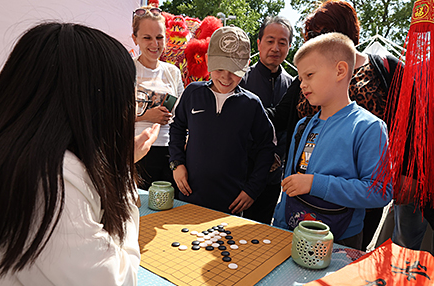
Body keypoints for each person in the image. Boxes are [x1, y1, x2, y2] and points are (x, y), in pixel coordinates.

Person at [0, 22, 160, 286]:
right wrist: (121, 171)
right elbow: (112, 285)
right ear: (94, 104)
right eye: (128, 99)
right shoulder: (46, 178)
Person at [276, 0, 400, 249]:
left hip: (341, 242)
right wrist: (278, 228)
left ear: (341, 70)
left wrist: (315, 183)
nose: (301, 84)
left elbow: (380, 192)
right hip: (292, 233)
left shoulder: (369, 128)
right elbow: (289, 187)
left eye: (309, 75)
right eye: (300, 77)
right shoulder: (303, 126)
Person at [169, 26, 275, 215]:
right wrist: (177, 163)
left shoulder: (251, 104)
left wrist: (252, 189)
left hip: (230, 205)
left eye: (234, 70)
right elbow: (176, 127)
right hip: (188, 199)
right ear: (208, 60)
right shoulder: (192, 93)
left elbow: (267, 147)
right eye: (219, 68)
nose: (226, 77)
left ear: (246, 65)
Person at [239, 16, 293, 225]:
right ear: (259, 43)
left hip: (272, 177)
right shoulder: (241, 79)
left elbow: (291, 128)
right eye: (270, 41)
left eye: (282, 42)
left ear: (289, 46)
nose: (275, 48)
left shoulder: (293, 85)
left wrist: (278, 157)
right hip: (240, 173)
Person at [131, 5, 184, 193]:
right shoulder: (127, 69)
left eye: (159, 37)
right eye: (147, 37)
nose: (155, 44)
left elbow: (181, 116)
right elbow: (109, 116)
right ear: (135, 38)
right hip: (136, 152)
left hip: (169, 153)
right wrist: (147, 116)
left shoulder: (173, 72)